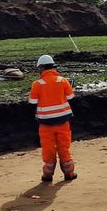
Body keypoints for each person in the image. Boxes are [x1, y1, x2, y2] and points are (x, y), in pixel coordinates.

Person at [28, 54, 76, 182]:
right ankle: (69, 173)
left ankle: (47, 175)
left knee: (48, 148)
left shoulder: (37, 84)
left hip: (45, 123)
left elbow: (32, 102)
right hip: (63, 121)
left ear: (41, 68)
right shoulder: (62, 80)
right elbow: (71, 97)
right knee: (64, 147)